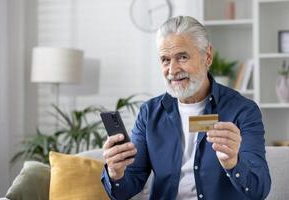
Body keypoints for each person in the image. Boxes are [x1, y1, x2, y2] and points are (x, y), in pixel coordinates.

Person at [101, 16, 271, 200]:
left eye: (182, 57)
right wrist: (115, 173)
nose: (172, 70)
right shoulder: (149, 114)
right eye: (165, 60)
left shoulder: (243, 111)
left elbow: (259, 191)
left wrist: (233, 163)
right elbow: (125, 189)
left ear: (207, 56)